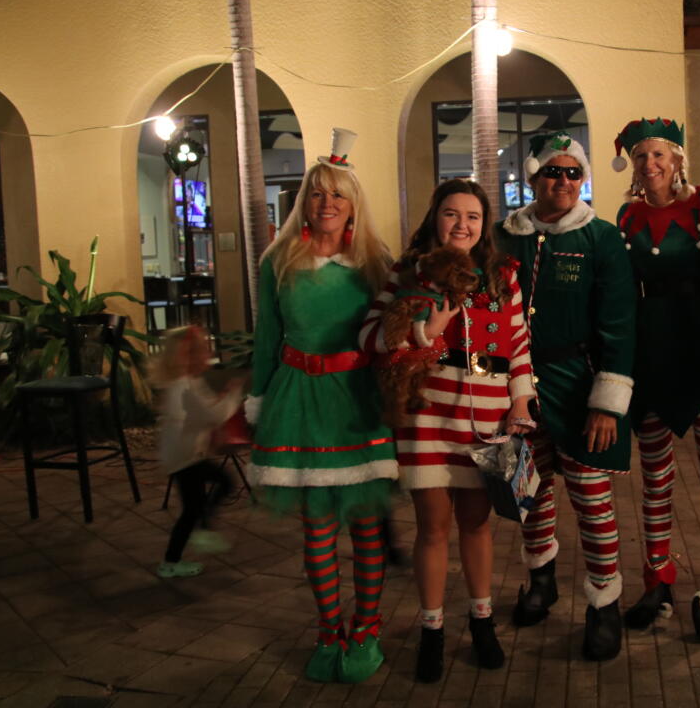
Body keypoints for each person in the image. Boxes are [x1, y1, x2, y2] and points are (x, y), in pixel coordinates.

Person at [360, 178, 533, 683]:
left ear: (484, 224)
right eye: (452, 214)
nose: (462, 224)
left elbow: (519, 344)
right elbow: (369, 336)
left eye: (472, 216)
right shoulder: (409, 271)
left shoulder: (503, 274)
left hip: (486, 421)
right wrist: (424, 331)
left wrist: (521, 400)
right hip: (428, 418)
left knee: (477, 526)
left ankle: (482, 622)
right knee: (432, 529)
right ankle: (432, 630)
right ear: (435, 218)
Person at [246, 128, 398, 684]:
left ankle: (367, 628)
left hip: (356, 403)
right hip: (298, 403)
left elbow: (392, 339)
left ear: (353, 203)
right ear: (303, 201)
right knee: (316, 528)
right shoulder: (277, 260)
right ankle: (329, 629)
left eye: (337, 194)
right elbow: (267, 339)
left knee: (365, 527)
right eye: (317, 193)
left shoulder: (376, 262)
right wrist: (256, 402)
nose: (326, 203)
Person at [495, 132, 636, 662]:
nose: (563, 181)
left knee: (592, 500)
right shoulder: (503, 237)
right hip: (517, 387)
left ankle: (605, 604)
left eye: (573, 172)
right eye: (552, 171)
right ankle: (541, 580)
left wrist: (606, 402)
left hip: (580, 386)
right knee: (530, 493)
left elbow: (620, 322)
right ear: (533, 178)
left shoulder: (601, 238)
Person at [610, 118, 700, 634]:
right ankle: (658, 579)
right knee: (656, 477)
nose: (650, 165)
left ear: (679, 159)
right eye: (641, 156)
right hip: (652, 352)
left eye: (659, 154)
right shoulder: (627, 214)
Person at [152, 325, 242, 578]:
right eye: (202, 350)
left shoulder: (188, 382)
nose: (208, 355)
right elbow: (213, 415)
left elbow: (205, 409)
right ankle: (194, 538)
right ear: (186, 356)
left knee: (193, 507)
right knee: (217, 488)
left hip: (185, 455)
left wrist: (221, 398)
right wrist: (233, 394)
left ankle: (182, 549)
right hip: (185, 458)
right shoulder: (184, 386)